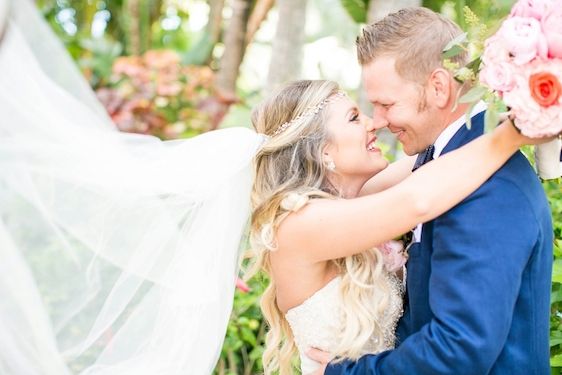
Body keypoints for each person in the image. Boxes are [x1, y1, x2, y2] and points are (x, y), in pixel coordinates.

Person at [0, 2, 552, 375]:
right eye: (361, 114)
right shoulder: (304, 225)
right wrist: (514, 131)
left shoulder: (423, 182)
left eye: (378, 106)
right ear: (322, 151)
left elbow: (431, 171)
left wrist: (524, 94)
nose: (377, 123)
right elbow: (418, 198)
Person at [307, 7, 553, 375]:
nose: (379, 121)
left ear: (439, 87)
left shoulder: (488, 188)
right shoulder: (447, 161)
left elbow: (459, 349)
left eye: (387, 104)